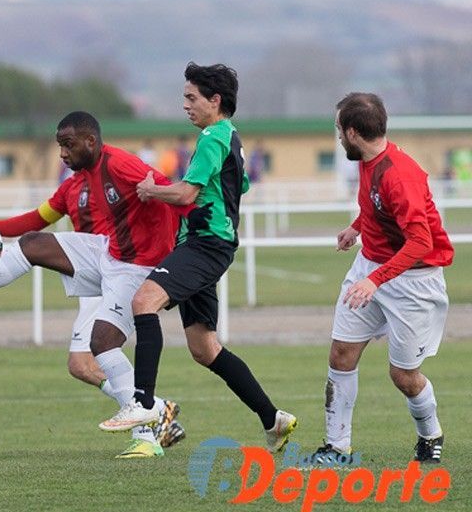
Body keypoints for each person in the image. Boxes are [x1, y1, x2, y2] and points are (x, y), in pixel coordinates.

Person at [0, 111, 192, 458]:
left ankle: (148, 435)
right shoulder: (74, 184)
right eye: (60, 146)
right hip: (106, 256)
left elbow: (179, 197)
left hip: (135, 269)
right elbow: (35, 219)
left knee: (100, 346)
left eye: (67, 145)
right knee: (33, 243)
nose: (62, 153)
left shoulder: (121, 164)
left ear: (90, 142)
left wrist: (188, 257)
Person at [98, 62, 297, 454]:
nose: (185, 105)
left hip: (205, 245)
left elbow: (188, 195)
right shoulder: (232, 139)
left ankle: (142, 404)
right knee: (205, 349)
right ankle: (273, 419)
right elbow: (236, 185)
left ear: (215, 100)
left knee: (144, 301)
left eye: (192, 98)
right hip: (209, 243)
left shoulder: (211, 137)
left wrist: (153, 190)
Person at [314, 93, 454, 464]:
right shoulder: (367, 159)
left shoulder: (399, 175)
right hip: (371, 267)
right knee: (341, 354)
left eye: (339, 130)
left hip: (413, 281)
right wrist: (356, 228)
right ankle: (336, 448)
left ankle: (431, 433)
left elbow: (421, 242)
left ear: (354, 132)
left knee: (403, 376)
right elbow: (376, 206)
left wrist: (376, 281)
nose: (338, 137)